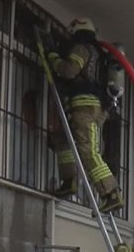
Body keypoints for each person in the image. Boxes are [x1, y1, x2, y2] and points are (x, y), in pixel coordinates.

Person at [44, 17, 124, 213]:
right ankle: (68, 180)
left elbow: (69, 70)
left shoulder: (82, 47)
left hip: (86, 107)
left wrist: (53, 57)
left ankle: (111, 193)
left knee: (88, 151)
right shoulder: (99, 52)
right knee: (64, 140)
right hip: (89, 108)